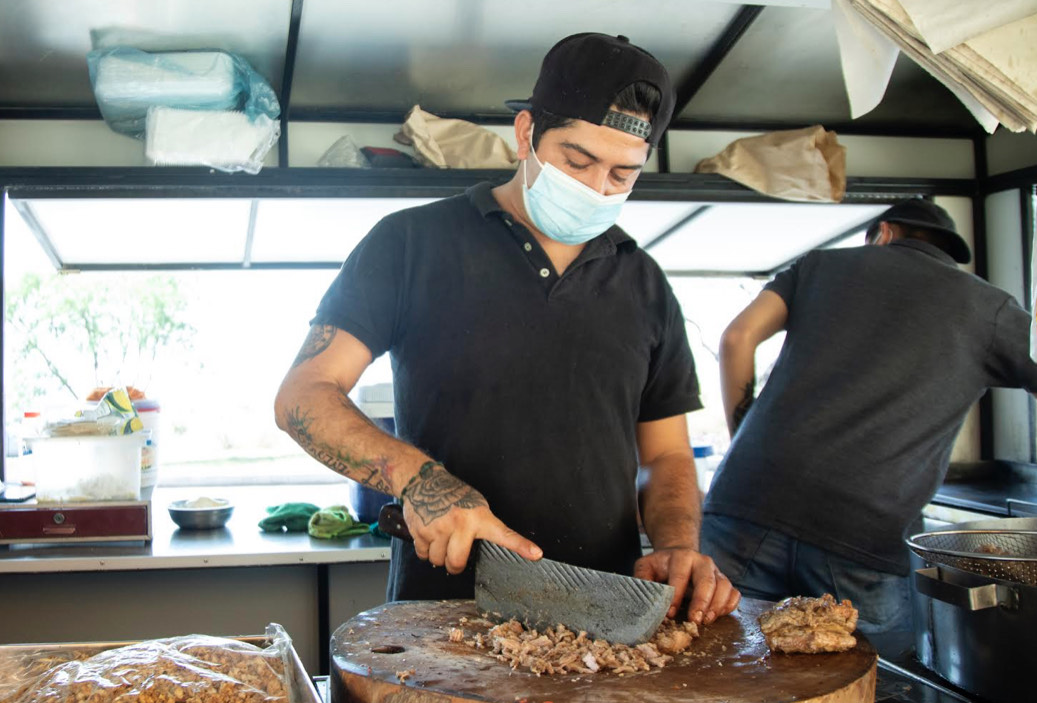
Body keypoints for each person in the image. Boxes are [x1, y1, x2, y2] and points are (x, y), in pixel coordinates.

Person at [274, 33, 740, 626]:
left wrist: (677, 544)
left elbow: (668, 454)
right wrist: (422, 483)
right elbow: (302, 397)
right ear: (525, 134)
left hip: (609, 622)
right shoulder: (411, 244)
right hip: (441, 619)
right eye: (577, 161)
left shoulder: (646, 284)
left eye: (623, 173)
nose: (597, 188)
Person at [700, 198, 1037, 657]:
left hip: (747, 496)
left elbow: (738, 337)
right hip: (862, 526)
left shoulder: (820, 266)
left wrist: (745, 435)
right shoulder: (990, 308)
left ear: (884, 232)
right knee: (865, 674)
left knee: (719, 657)